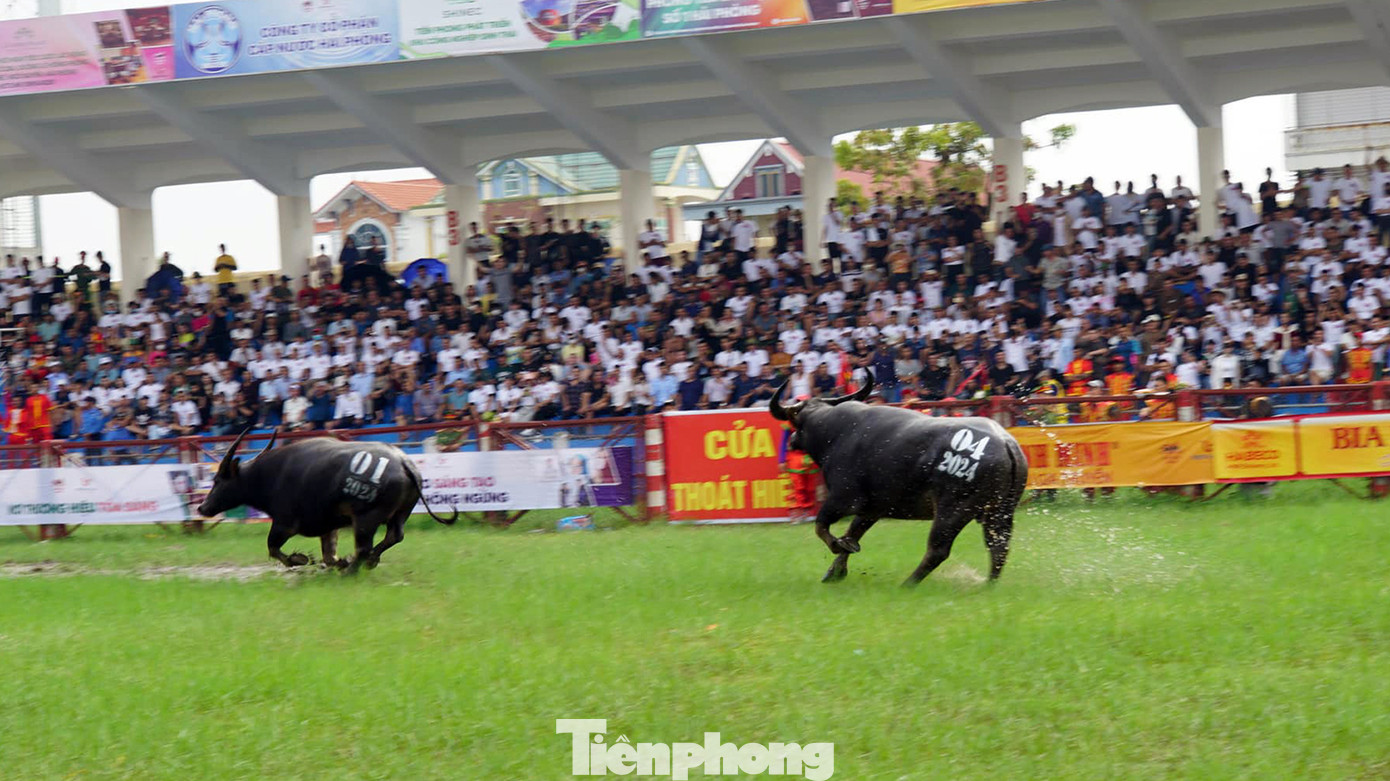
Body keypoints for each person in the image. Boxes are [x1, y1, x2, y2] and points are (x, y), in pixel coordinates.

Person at [779, 396, 820, 522]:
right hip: (795, 457)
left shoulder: (816, 421)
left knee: (810, 487)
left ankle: (807, 512)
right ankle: (796, 513)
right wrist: (781, 460)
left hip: (811, 457)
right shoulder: (789, 422)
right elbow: (783, 441)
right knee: (797, 486)